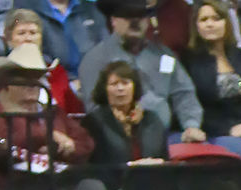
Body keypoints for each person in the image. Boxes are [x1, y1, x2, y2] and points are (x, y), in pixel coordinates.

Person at [78, 0, 206, 140]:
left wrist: (191, 125)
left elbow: (184, 94)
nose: (135, 21)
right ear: (113, 20)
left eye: (141, 16)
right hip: (117, 138)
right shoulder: (96, 59)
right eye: (128, 16)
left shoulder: (163, 55)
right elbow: (94, 108)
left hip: (164, 136)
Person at [0, 42, 93, 182]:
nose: (32, 84)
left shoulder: (53, 112)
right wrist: (49, 135)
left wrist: (68, 147)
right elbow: (0, 146)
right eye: (24, 77)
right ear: (7, 82)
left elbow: (86, 143)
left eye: (37, 77)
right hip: (10, 189)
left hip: (56, 186)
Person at [180, 0, 241, 154]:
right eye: (204, 20)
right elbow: (196, 107)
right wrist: (229, 130)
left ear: (227, 22)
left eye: (216, 18)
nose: (210, 24)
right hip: (215, 135)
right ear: (196, 26)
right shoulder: (189, 63)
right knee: (240, 149)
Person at [83, 58, 170, 162]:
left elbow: (164, 159)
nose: (120, 88)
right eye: (114, 84)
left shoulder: (152, 120)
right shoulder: (94, 122)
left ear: (134, 87)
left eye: (125, 83)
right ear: (104, 89)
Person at [0, 9, 85, 114]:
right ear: (9, 39)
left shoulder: (57, 73)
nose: (28, 38)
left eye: (33, 33)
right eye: (21, 33)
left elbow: (73, 112)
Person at [18, 0, 105, 75]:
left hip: (91, 79)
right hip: (49, 79)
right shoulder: (27, 8)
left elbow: (105, 48)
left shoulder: (92, 10)